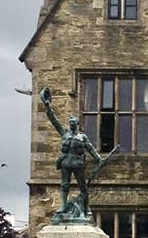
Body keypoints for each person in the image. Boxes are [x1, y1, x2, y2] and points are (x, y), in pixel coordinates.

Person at [40, 87, 113, 218]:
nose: (72, 123)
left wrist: (98, 159)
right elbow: (54, 121)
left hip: (78, 163)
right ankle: (63, 205)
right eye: (70, 122)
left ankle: (86, 208)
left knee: (83, 186)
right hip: (66, 162)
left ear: (77, 124)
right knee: (64, 185)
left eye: (74, 122)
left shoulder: (82, 137)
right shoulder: (64, 133)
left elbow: (90, 148)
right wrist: (48, 107)